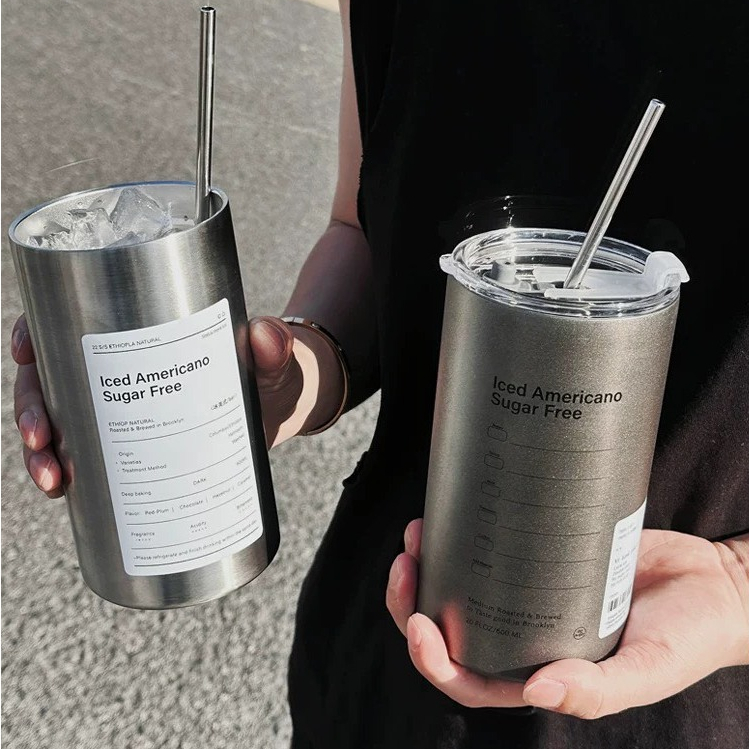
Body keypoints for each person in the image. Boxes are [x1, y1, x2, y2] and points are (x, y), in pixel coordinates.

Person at [12, 0, 749, 745]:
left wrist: (734, 584)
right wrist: (294, 370)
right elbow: (364, 229)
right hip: (382, 643)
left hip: (676, 680)